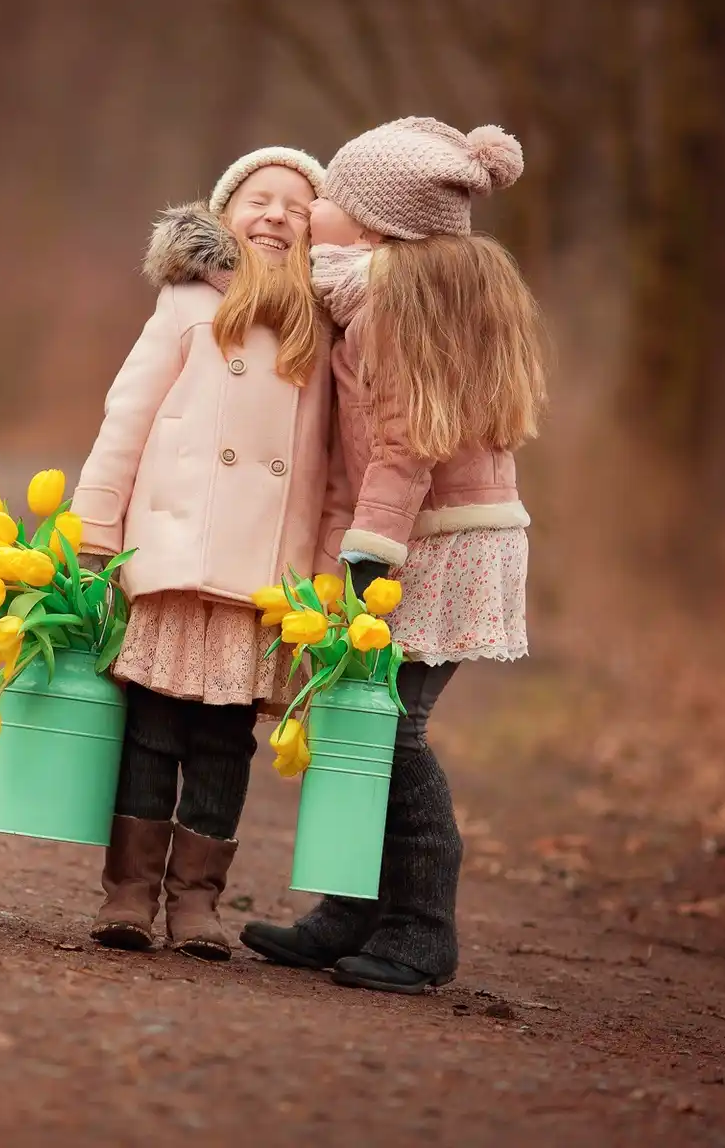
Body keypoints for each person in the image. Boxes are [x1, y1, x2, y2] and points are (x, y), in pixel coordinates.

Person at [240, 117, 549, 993]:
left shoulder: (389, 302)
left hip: (430, 544)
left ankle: (421, 928)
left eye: (330, 196)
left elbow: (405, 439)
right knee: (360, 723)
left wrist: (367, 552)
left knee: (395, 730)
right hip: (433, 533)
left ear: (373, 227)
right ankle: (353, 910)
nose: (315, 206)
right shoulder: (380, 289)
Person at [71, 147, 341, 960]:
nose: (275, 216)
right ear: (226, 215)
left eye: (296, 209)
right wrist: (96, 524)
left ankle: (197, 904)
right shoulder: (186, 302)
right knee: (152, 730)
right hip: (174, 555)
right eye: (260, 199)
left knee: (225, 743)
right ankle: (128, 894)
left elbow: (330, 466)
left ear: (311, 235)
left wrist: (323, 571)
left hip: (259, 578)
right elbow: (130, 414)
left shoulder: (319, 326)